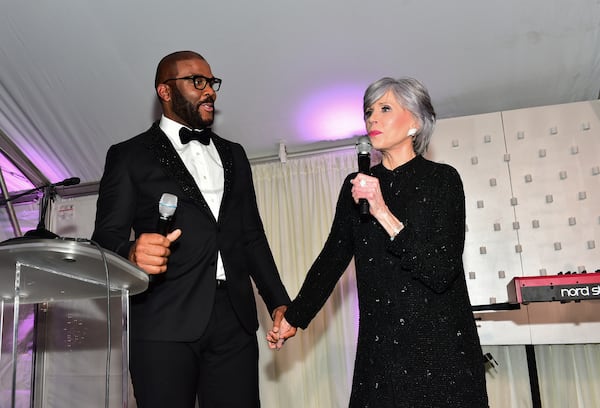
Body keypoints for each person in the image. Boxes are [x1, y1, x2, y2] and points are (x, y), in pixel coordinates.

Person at [268, 77, 489, 407]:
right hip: (381, 351)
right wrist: (294, 317)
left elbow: (441, 271)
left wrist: (383, 212)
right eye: (369, 110)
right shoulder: (355, 186)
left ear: (415, 121)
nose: (372, 118)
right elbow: (332, 259)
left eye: (385, 109)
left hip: (441, 350)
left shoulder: (442, 180)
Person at [92, 50, 291, 408]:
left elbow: (251, 237)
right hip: (162, 320)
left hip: (235, 320)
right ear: (165, 92)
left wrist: (278, 302)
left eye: (212, 82)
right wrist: (132, 252)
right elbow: (105, 239)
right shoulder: (129, 155)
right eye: (197, 82)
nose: (210, 91)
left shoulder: (235, 154)